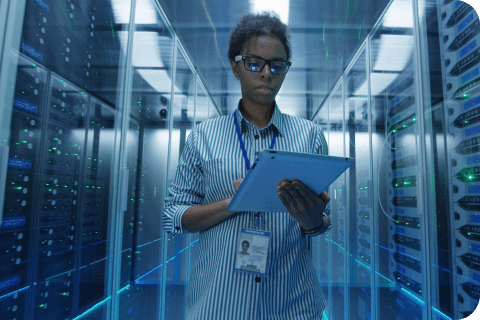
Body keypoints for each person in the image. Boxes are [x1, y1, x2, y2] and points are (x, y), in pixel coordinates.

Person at [163, 11, 332, 320]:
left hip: (293, 306)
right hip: (219, 305)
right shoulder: (203, 137)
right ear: (235, 66)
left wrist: (312, 220)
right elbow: (174, 216)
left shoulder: (310, 136)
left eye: (277, 66)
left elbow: (320, 224)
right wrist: (235, 203)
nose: (266, 74)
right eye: (254, 63)